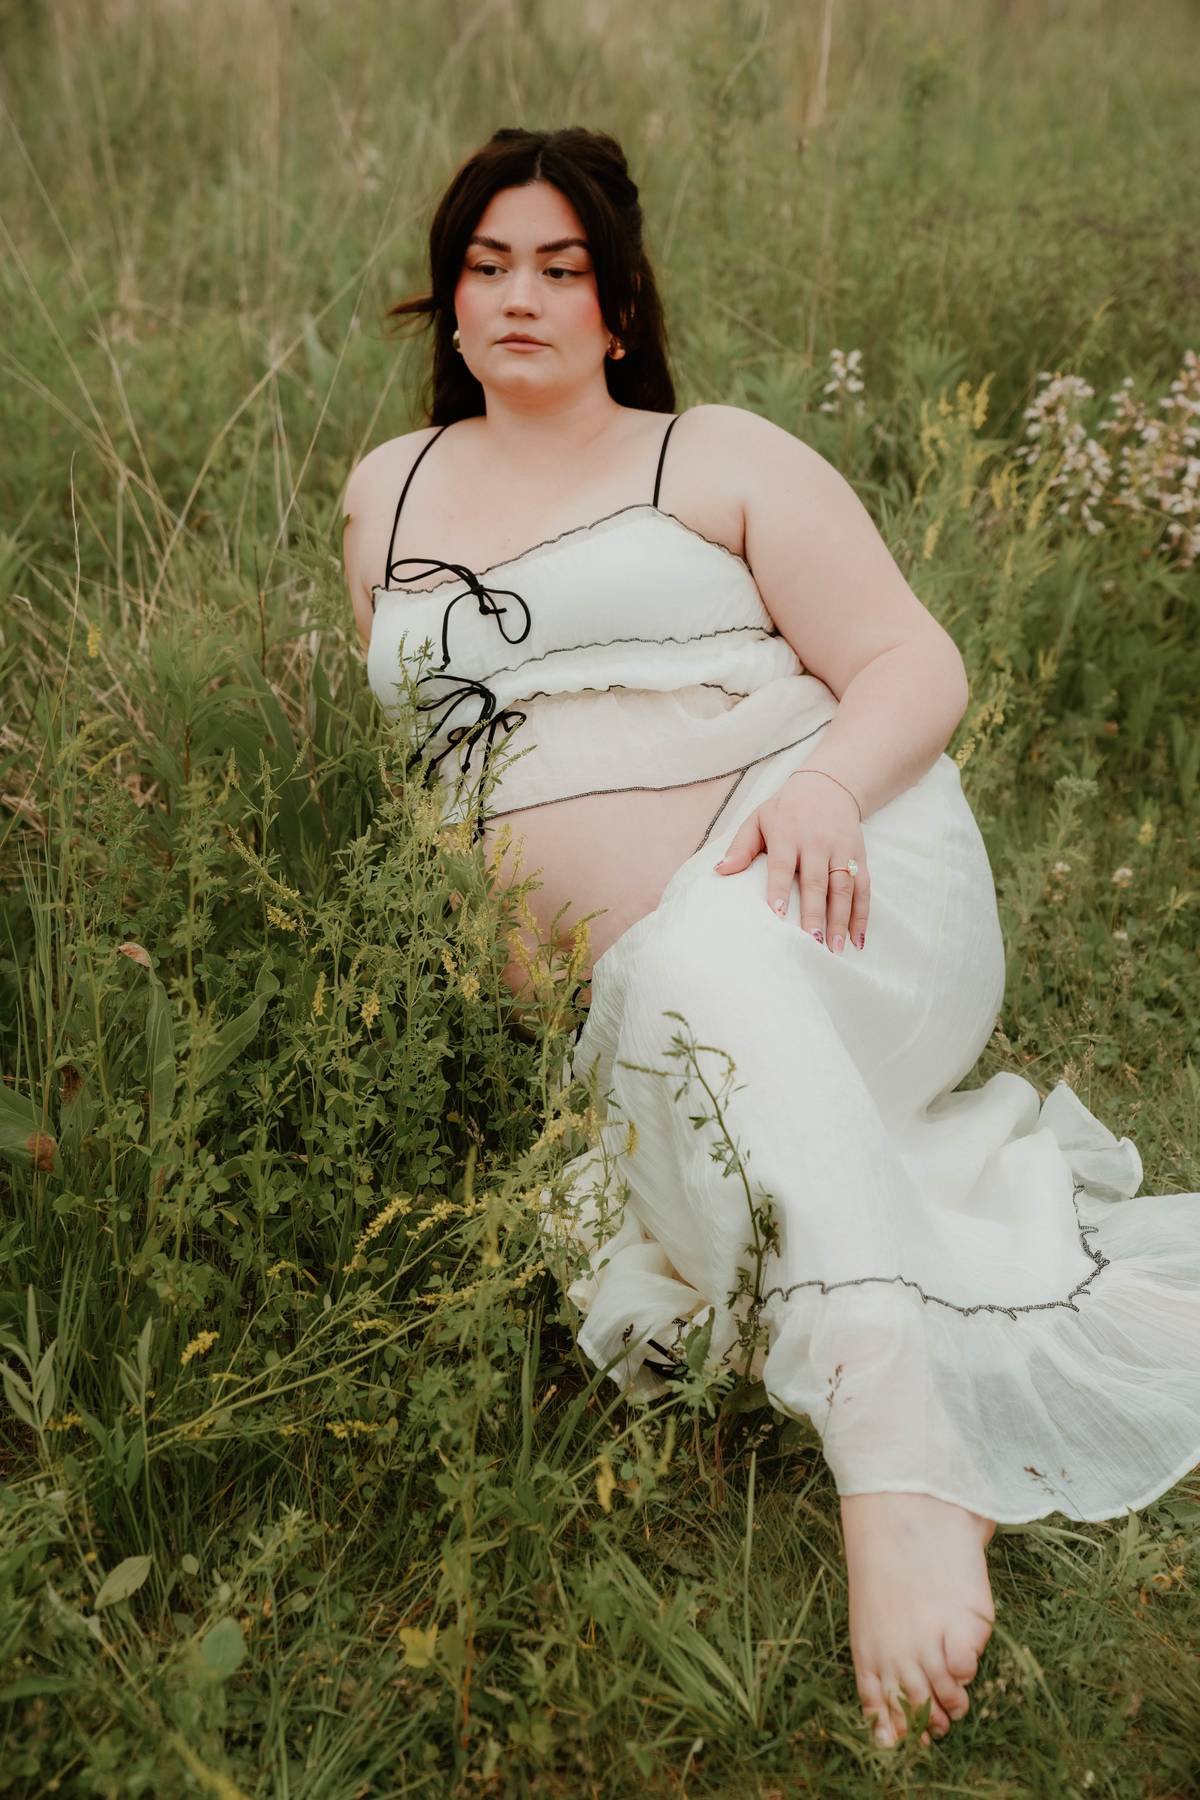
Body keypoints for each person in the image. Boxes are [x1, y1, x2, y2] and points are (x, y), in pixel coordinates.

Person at [341, 126, 1200, 1752]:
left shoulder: (713, 453)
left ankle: (899, 1463)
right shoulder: (384, 494)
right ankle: (890, 1319)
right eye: (487, 263)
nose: (520, 296)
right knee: (670, 1004)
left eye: (562, 267)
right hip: (636, 989)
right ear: (446, 299)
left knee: (694, 949)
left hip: (846, 878)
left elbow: (913, 666)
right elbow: (426, 763)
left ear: (618, 305)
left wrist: (816, 788)